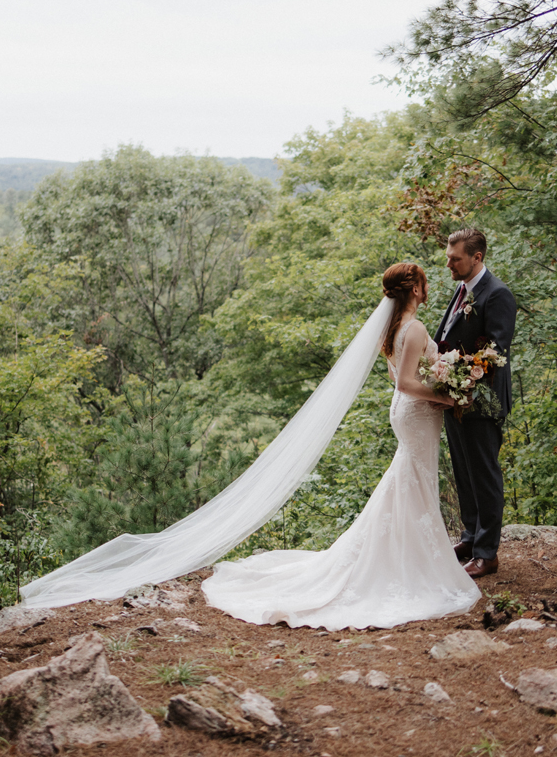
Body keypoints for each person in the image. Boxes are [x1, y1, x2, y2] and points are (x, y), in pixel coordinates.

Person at [199, 263, 481, 630]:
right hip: (416, 412)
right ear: (415, 289)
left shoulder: (394, 327)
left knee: (408, 478)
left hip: (407, 412)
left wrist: (437, 384)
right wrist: (445, 397)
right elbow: (405, 383)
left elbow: (395, 374)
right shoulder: (414, 328)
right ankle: (411, 560)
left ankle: (406, 552)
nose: (426, 289)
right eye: (424, 283)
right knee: (414, 478)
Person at [434, 229, 517, 579]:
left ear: (476, 257)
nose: (449, 264)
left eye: (455, 259)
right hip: (455, 399)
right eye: (448, 258)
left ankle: (487, 553)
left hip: (482, 401)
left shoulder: (497, 294)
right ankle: (470, 538)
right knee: (464, 473)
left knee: (484, 476)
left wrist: (460, 378)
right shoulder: (463, 289)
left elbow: (496, 351)